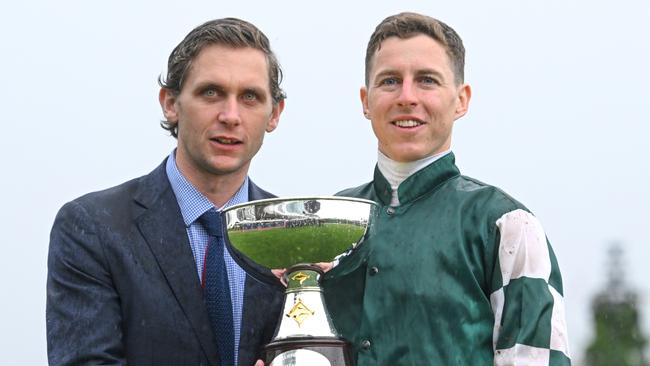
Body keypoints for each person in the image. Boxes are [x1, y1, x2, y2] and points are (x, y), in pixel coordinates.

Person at [322, 12, 572, 365]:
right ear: (366, 100)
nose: (406, 97)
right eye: (390, 81)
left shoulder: (508, 224)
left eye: (426, 80)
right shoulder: (327, 219)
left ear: (461, 100)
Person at [47, 18, 286, 366]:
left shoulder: (292, 235)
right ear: (170, 103)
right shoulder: (93, 229)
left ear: (274, 114)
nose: (230, 115)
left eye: (250, 97)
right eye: (211, 92)